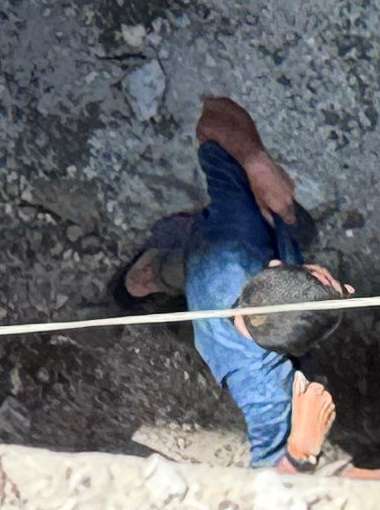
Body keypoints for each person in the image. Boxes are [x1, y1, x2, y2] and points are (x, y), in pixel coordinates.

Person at [135, 97, 350, 474]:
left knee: (176, 271)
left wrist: (254, 163)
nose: (343, 285)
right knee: (184, 272)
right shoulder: (262, 383)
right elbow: (266, 478)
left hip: (209, 263)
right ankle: (140, 283)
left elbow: (213, 115)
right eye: (331, 283)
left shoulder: (239, 236)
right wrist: (301, 449)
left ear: (275, 266)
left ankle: (141, 280)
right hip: (208, 298)